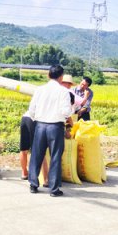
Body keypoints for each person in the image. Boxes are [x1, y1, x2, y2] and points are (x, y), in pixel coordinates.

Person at [28, 65, 72, 197]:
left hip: (40, 125)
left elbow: (32, 109)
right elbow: (66, 111)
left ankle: (33, 184)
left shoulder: (39, 89)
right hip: (55, 127)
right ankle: (53, 189)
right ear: (61, 77)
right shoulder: (63, 91)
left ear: (48, 75)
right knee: (55, 157)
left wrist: (37, 119)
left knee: (37, 155)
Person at [19, 111, 49, 184]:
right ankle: (46, 180)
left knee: (24, 149)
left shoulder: (36, 99)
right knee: (40, 151)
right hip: (35, 120)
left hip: (25, 118)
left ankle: (24, 173)